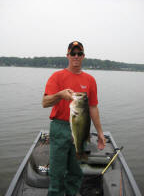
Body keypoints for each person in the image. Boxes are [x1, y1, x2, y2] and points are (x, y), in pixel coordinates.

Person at [42, 41, 106, 196]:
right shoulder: (57, 77)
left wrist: (100, 133)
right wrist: (60, 95)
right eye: (73, 53)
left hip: (81, 127)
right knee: (57, 173)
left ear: (83, 56)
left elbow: (92, 107)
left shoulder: (90, 80)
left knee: (76, 172)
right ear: (68, 55)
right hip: (60, 127)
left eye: (79, 54)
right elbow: (44, 102)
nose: (76, 56)